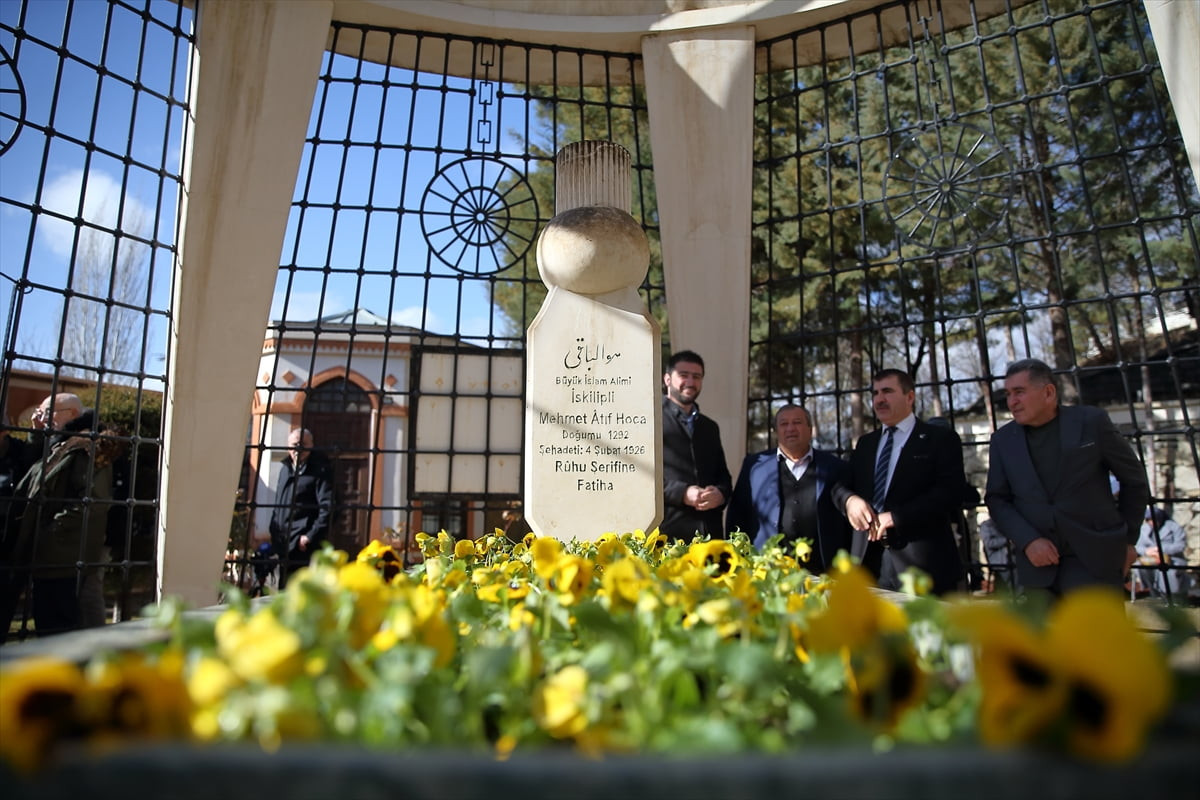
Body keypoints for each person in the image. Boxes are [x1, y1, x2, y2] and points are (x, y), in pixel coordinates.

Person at [985, 358, 1149, 595]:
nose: (1012, 402)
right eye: (1008, 394)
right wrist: (1028, 540)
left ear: (1049, 392)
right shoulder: (1002, 440)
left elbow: (1134, 480)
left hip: (1095, 562)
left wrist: (1128, 540)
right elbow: (997, 499)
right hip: (1037, 570)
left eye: (1019, 392)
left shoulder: (1091, 422)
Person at [830, 369, 968, 595]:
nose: (879, 399)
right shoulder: (866, 444)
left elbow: (950, 492)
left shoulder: (940, 439)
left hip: (923, 567)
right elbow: (839, 487)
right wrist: (850, 500)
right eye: (875, 393)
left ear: (909, 397)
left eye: (887, 391)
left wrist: (896, 517)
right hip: (869, 565)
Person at [3, 393, 119, 637]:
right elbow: (34, 470)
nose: (42, 417)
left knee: (60, 630)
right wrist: (37, 434)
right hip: (48, 555)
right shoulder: (60, 443)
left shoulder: (87, 445)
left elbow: (91, 502)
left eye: (48, 412)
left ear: (72, 414)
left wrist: (48, 532)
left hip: (62, 557)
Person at [726, 404, 851, 573]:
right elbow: (737, 515)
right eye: (784, 424)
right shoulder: (754, 466)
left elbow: (846, 524)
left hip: (822, 571)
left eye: (797, 422)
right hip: (767, 570)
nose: (790, 428)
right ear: (776, 431)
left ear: (810, 429)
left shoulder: (835, 467)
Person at [660, 351, 732, 541]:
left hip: (710, 534)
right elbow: (639, 477)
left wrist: (720, 494)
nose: (691, 382)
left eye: (697, 376)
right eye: (684, 375)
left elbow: (723, 477)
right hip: (667, 536)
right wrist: (682, 493)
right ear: (667, 379)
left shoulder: (710, 427)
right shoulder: (649, 420)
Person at [269, 428, 333, 587]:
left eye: (303, 444)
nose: (298, 449)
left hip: (303, 546)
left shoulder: (320, 470)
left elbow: (328, 507)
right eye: (294, 445)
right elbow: (278, 503)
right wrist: (273, 529)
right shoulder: (285, 469)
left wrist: (310, 536)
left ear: (311, 445)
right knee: (283, 590)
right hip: (283, 543)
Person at [1132, 507, 1190, 600]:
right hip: (1151, 558)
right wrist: (1147, 551)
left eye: (1153, 519)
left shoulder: (1173, 527)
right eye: (1148, 520)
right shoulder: (1144, 529)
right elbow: (1138, 546)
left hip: (1172, 558)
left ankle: (1170, 596)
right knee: (1140, 567)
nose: (1151, 522)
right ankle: (1154, 593)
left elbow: (1180, 545)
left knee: (1167, 571)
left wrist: (1161, 549)